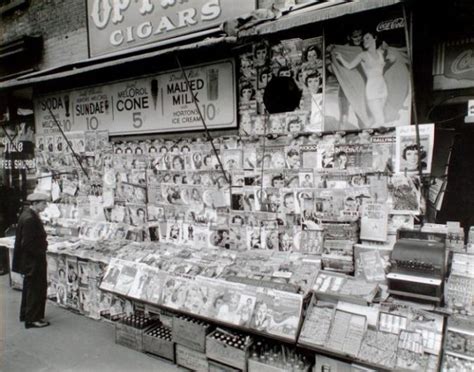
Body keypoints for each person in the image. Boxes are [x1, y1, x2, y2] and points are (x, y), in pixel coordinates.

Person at [334, 31, 395, 125]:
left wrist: (390, 58)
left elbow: (392, 58)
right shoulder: (362, 55)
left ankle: (370, 132)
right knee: (380, 118)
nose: (364, 41)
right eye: (363, 40)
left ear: (375, 38)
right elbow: (349, 66)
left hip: (383, 88)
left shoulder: (380, 52)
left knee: (378, 118)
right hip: (372, 89)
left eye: (367, 38)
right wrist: (340, 58)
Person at [12, 192, 51, 328]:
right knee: (36, 288)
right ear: (35, 204)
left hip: (29, 260)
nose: (45, 205)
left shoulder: (28, 215)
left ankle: (27, 315)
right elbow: (28, 244)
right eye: (43, 203)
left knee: (30, 288)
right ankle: (33, 319)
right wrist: (41, 249)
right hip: (33, 261)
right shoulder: (30, 219)